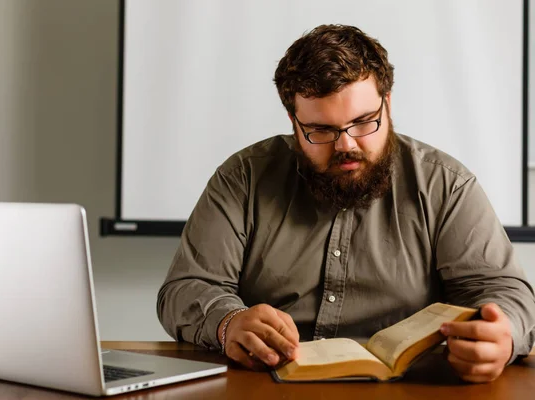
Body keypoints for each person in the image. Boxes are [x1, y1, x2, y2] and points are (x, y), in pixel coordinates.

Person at [156, 24, 535, 382]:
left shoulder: (445, 184)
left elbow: (504, 292)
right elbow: (185, 288)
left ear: (387, 103)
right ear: (293, 120)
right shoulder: (244, 177)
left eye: (364, 121)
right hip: (266, 384)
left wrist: (502, 335)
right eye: (321, 130)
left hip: (408, 388)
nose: (346, 145)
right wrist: (229, 322)